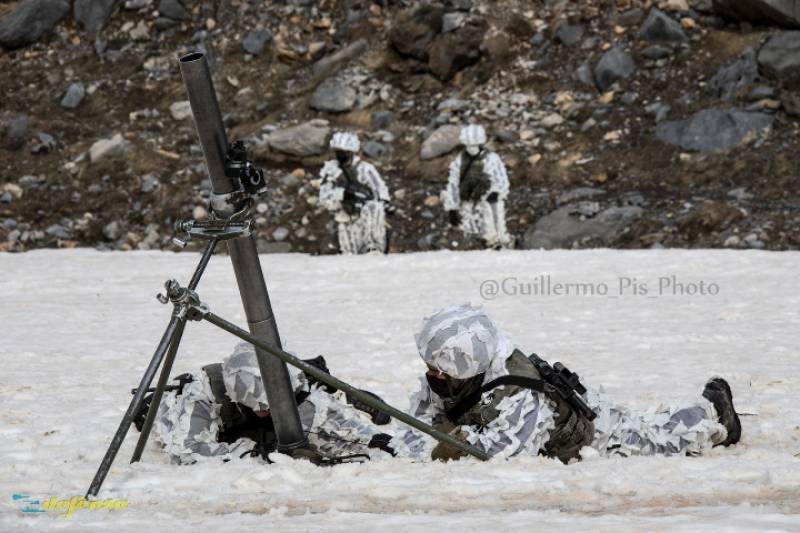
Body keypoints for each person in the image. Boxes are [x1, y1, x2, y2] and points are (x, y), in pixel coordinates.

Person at [406, 304, 742, 463]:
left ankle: (716, 413)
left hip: (593, 433)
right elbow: (419, 422)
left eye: (438, 370)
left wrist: (450, 446)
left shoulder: (518, 391)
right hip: (564, 427)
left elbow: (506, 454)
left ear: (465, 366)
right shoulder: (452, 379)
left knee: (660, 437)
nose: (431, 376)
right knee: (647, 424)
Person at [143, 342, 402, 464]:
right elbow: (187, 452)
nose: (266, 412)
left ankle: (339, 388)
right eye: (261, 407)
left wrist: (372, 441)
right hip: (227, 429)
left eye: (271, 407)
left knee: (311, 429)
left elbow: (332, 424)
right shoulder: (202, 393)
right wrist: (255, 453)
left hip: (280, 403)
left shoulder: (293, 390)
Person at [318, 132, 393, 254]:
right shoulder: (331, 171)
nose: (341, 155)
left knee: (374, 208)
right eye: (338, 151)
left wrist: (384, 202)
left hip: (367, 214)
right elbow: (323, 197)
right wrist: (343, 194)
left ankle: (373, 247)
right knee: (348, 251)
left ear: (351, 152)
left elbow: (380, 189)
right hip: (344, 214)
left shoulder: (365, 169)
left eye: (344, 152)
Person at [441, 125, 512, 249]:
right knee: (469, 228)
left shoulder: (491, 159)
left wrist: (496, 192)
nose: (472, 148)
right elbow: (453, 184)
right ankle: (475, 245)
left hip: (488, 200)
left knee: (493, 222)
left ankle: (498, 242)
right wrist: (452, 208)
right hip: (468, 201)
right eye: (469, 144)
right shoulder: (460, 161)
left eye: (475, 144)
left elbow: (501, 179)